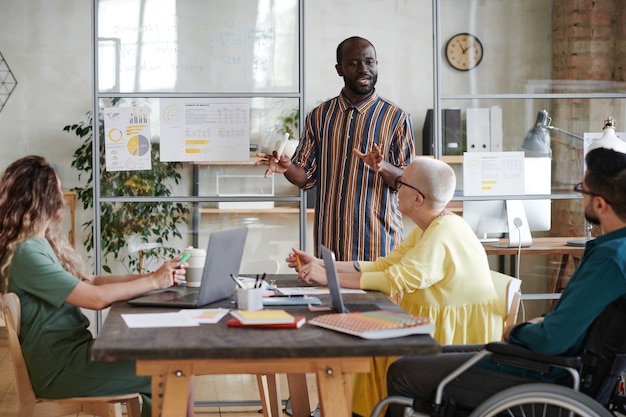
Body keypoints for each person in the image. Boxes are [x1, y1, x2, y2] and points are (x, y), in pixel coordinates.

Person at [385, 147, 626, 417]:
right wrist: (543, 324)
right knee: (426, 357)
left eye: (583, 191)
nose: (580, 197)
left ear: (601, 204)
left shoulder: (610, 259)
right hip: (552, 362)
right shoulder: (615, 252)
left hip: (546, 372)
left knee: (403, 371)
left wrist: (515, 332)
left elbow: (551, 340)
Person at [289, 158, 505, 417]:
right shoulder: (430, 227)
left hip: (450, 339)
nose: (395, 188)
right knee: (367, 356)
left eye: (401, 183)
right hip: (426, 327)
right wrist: (326, 265)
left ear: (417, 199)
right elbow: (386, 265)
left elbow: (395, 279)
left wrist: (327, 277)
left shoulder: (445, 233)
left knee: (368, 357)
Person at [0, 155, 193, 417]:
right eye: (56, 188)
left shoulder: (38, 243)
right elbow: (95, 299)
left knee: (173, 365)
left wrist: (155, 276)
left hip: (73, 356)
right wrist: (153, 281)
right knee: (171, 371)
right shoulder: (27, 254)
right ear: (43, 198)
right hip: (61, 369)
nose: (60, 193)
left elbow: (92, 282)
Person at [256, 36, 415, 261]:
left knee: (380, 298)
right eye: (354, 63)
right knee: (330, 297)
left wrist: (383, 166)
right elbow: (306, 177)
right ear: (339, 69)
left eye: (370, 62)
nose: (364, 69)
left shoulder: (396, 118)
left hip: (379, 245)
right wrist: (288, 167)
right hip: (329, 245)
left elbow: (408, 181)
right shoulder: (319, 116)